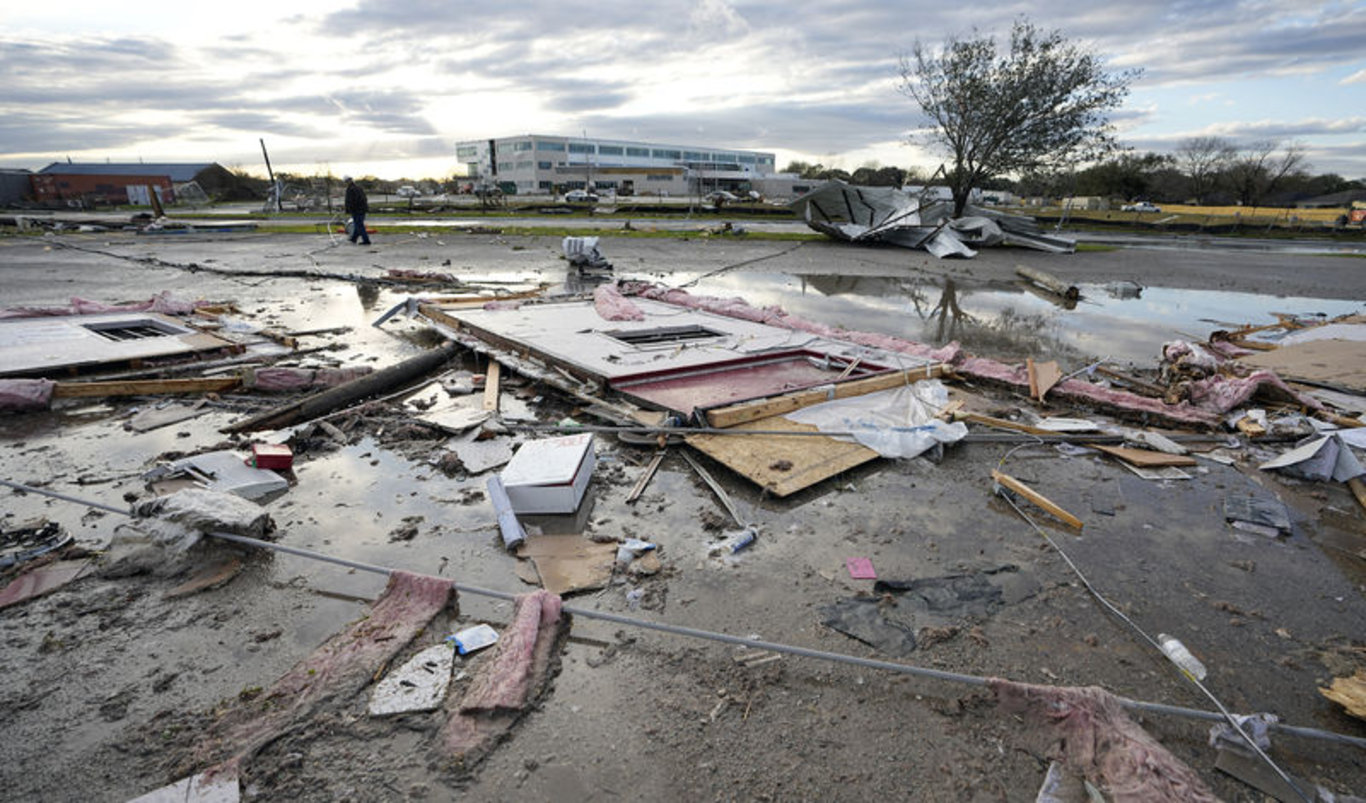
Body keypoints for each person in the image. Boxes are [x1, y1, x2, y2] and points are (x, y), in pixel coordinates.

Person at [343, 176, 371, 245]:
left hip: (356, 210)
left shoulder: (350, 189)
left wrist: (349, 209)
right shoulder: (358, 188)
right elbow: (364, 199)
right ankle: (354, 238)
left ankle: (366, 240)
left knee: (359, 225)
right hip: (362, 209)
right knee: (357, 224)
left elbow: (350, 201)